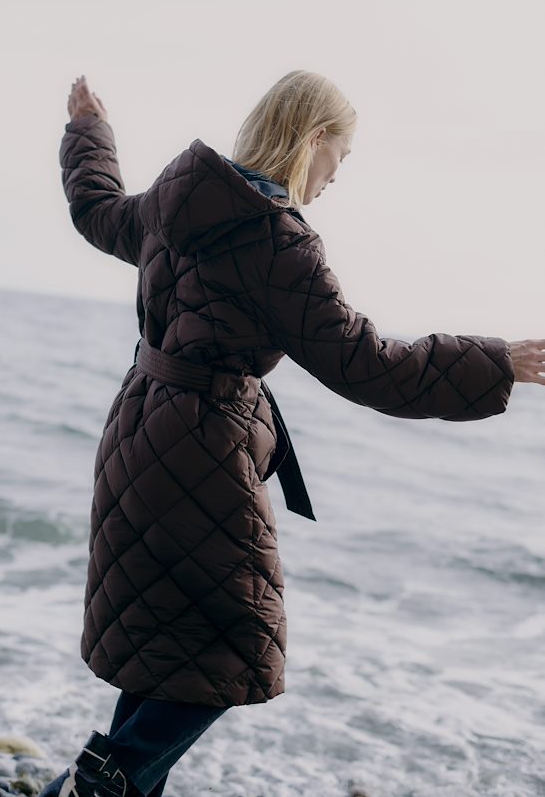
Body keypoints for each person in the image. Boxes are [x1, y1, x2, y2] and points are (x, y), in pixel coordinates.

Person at [40, 70, 545, 797]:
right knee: (236, 642)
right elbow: (372, 367)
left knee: (169, 642)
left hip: (137, 433)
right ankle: (93, 785)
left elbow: (96, 209)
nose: (338, 173)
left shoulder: (176, 199)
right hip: (202, 453)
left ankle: (107, 785)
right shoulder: (279, 246)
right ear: (313, 139)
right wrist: (495, 361)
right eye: (342, 154)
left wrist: (90, 131)